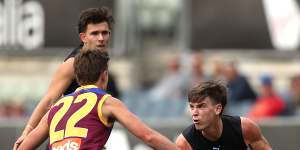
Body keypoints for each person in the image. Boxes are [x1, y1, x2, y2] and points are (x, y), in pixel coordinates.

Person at [18, 50, 178, 150]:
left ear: (78, 77)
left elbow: (24, 147)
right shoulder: (106, 101)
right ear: (105, 75)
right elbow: (148, 137)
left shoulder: (57, 107)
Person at [14, 7, 118, 150]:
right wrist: (27, 131)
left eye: (104, 33)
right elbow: (49, 100)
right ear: (83, 37)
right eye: (95, 33)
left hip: (84, 140)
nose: (101, 38)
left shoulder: (99, 59)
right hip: (66, 142)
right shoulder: (73, 63)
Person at [175, 80, 272, 150]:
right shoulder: (184, 143)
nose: (194, 113)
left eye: (201, 106)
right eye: (192, 107)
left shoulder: (245, 128)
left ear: (217, 109)